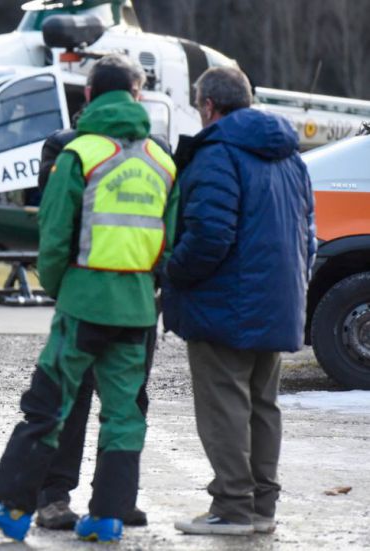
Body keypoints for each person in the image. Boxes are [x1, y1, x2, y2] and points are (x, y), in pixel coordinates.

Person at [0, 54, 178, 543]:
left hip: (84, 302)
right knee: (124, 413)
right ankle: (108, 516)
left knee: (48, 403)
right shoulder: (162, 161)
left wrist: (62, 287)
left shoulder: (78, 155)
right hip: (138, 309)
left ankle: (10, 505)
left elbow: (52, 239)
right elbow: (169, 242)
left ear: (89, 96)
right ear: (136, 97)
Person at [167, 67, 315, 536]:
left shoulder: (216, 154)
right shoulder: (291, 158)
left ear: (208, 106)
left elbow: (209, 234)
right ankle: (261, 509)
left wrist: (173, 270)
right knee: (262, 405)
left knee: (225, 406)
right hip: (276, 302)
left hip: (222, 303)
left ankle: (232, 509)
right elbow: (307, 235)